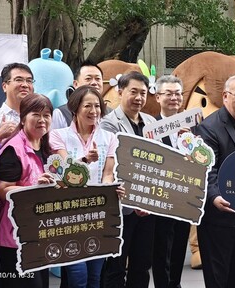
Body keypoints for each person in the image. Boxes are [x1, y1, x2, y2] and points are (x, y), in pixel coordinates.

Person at [49, 85, 120, 288]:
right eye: (87, 105)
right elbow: (62, 171)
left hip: (98, 214)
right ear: (75, 109)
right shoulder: (58, 135)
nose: (93, 111)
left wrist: (111, 190)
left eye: (97, 106)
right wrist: (84, 160)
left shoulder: (109, 138)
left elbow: (108, 174)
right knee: (77, 275)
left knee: (95, 278)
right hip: (69, 214)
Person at [196, 74, 235, 288]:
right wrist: (214, 196)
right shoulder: (209, 127)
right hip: (219, 215)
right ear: (225, 96)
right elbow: (206, 169)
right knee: (217, 276)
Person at [100, 71, 156, 288]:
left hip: (148, 207)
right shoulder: (108, 124)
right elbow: (115, 166)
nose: (139, 98)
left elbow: (157, 163)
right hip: (121, 206)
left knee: (142, 265)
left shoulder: (151, 122)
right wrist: (135, 199)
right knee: (115, 264)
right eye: (134, 92)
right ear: (120, 91)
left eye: (143, 93)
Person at [0, 93, 54, 287]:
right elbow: (3, 190)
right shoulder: (14, 148)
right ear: (23, 118)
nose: (42, 120)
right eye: (36, 114)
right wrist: (33, 186)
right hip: (16, 239)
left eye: (46, 115)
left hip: (41, 235)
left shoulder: (47, 148)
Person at [152, 75, 191, 288]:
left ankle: (175, 284)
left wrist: (193, 143)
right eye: (168, 93)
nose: (174, 98)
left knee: (178, 249)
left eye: (177, 93)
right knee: (161, 251)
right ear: (158, 97)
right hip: (161, 200)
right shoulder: (150, 127)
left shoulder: (191, 125)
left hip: (185, 199)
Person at [0, 63, 34, 143]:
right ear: (4, 86)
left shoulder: (40, 117)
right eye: (19, 80)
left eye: (29, 81)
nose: (25, 85)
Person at [52, 61, 104, 129]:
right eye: (88, 79)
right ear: (75, 84)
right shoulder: (61, 113)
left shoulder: (110, 114)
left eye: (98, 79)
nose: (94, 83)